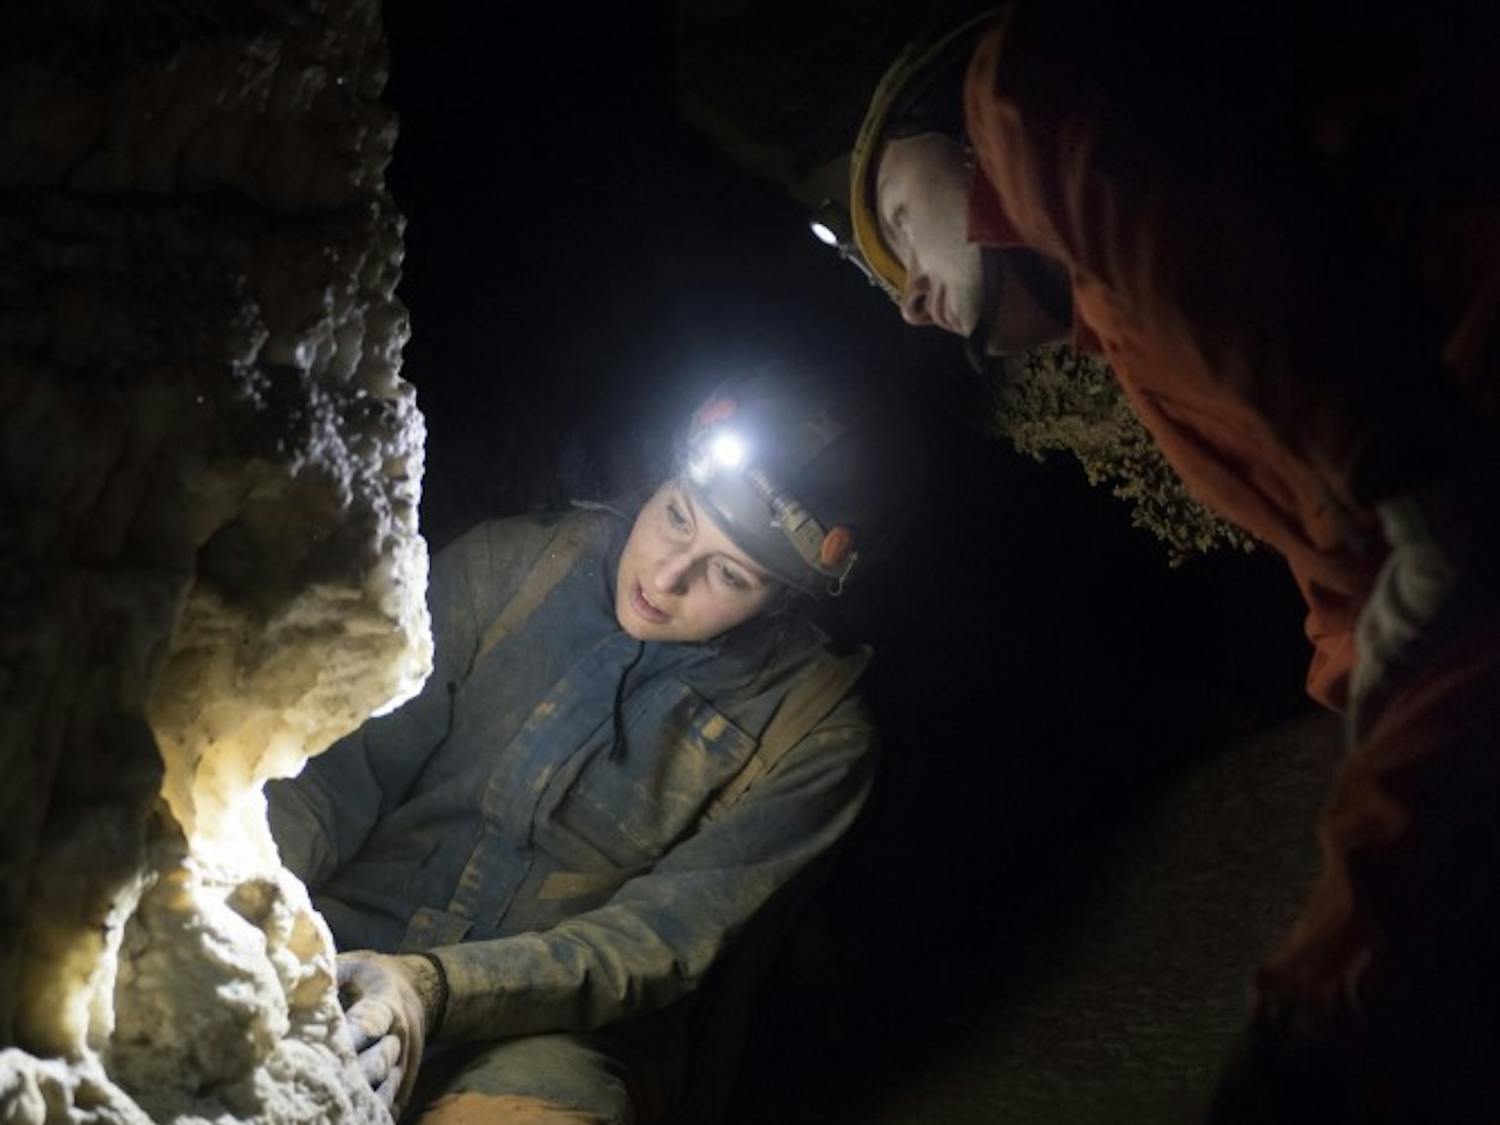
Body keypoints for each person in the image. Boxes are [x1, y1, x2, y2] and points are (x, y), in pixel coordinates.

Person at [841, 2, 1500, 1117]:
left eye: (901, 224)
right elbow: (1335, 575)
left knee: (1362, 970)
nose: (912, 299)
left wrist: (1407, 497)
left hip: (1465, 427)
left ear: (946, 139)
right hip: (1446, 523)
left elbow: (1377, 484)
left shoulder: (1019, 93)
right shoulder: (1148, 362)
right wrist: (1361, 695)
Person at [267, 368, 918, 1123]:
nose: (669, 576)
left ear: (789, 599)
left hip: (550, 1036)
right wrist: (241, 901)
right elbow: (335, 771)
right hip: (339, 936)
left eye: (729, 573)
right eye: (677, 516)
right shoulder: (508, 566)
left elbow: (656, 940)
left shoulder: (812, 738)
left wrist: (433, 988)